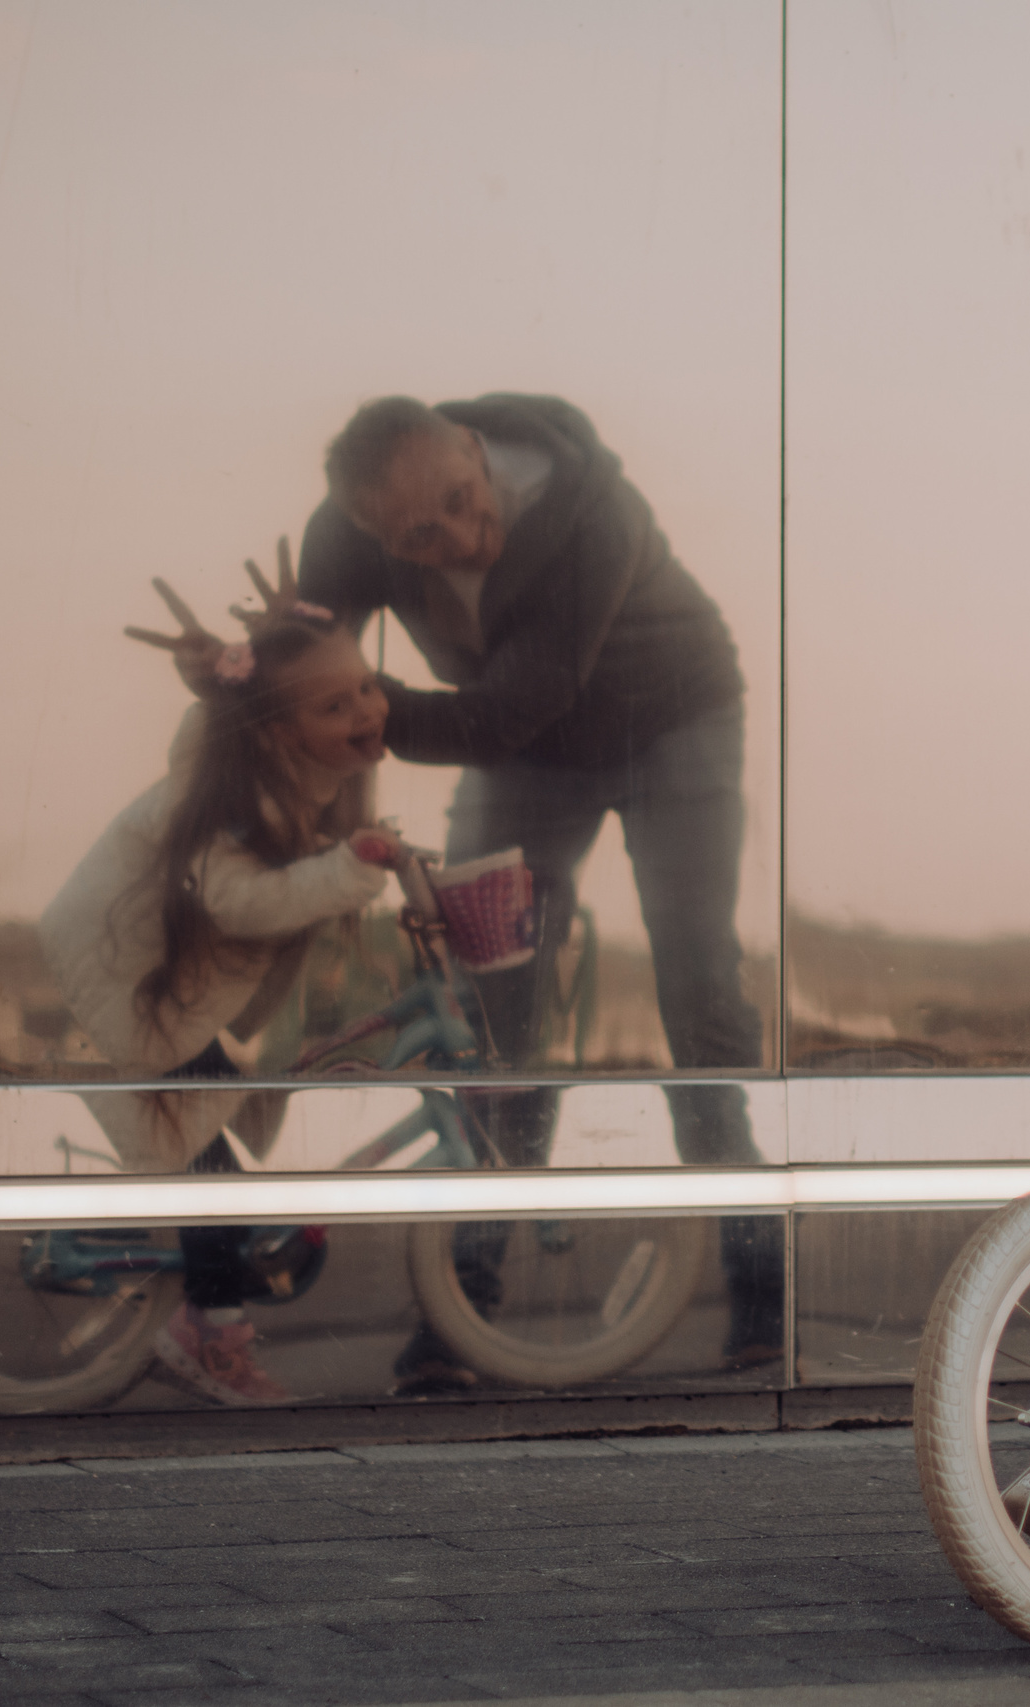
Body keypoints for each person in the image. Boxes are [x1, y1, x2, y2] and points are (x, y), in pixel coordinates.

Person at [291, 394, 781, 1390]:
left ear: (473, 449)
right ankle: (463, 1307)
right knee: (489, 1007)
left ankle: (759, 1286)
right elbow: (308, 672)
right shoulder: (344, 539)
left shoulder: (596, 510)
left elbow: (514, 703)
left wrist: (363, 716)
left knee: (698, 989)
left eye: (465, 502)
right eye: (420, 537)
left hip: (669, 722)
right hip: (523, 753)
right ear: (373, 532)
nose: (465, 539)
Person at [47, 574, 399, 1404]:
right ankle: (205, 1333)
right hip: (123, 969)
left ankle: (209, 1288)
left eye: (367, 687)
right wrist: (348, 869)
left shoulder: (286, 769)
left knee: (212, 1151)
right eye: (335, 707)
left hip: (149, 974)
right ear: (279, 729)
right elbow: (241, 900)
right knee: (214, 1173)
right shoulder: (238, 799)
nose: (366, 711)